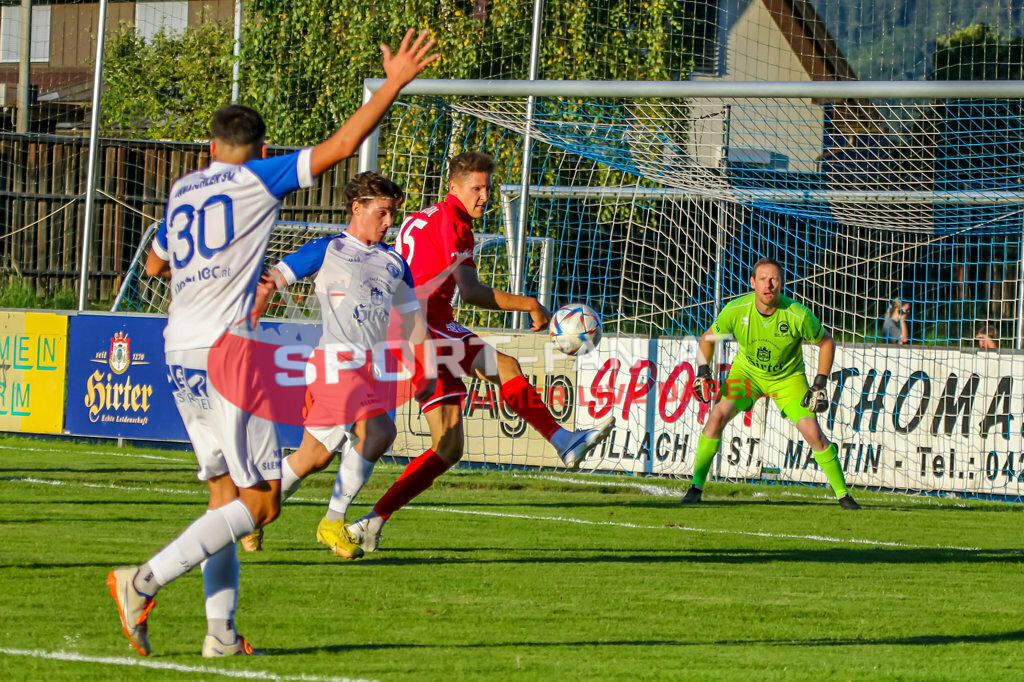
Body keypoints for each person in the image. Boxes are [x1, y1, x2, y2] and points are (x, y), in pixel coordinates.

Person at [105, 29, 439, 658]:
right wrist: (394, 81)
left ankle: (221, 634)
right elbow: (343, 146)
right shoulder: (257, 180)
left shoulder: (183, 192)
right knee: (261, 505)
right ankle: (143, 579)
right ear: (259, 150)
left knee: (223, 498)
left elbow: (154, 266)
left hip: (177, 348)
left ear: (210, 147)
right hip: (228, 350)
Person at [339, 151, 615, 551]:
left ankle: (371, 523)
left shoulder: (426, 217)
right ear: (453, 187)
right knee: (504, 365)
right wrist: (530, 304)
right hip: (420, 324)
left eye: (488, 188)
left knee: (449, 447)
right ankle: (562, 440)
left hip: (409, 327)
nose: (484, 196)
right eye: (476, 188)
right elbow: (470, 292)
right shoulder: (453, 223)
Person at [242, 172, 436, 559]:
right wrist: (247, 322)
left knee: (312, 458)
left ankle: (250, 514)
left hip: (367, 370)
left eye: (392, 214)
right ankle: (333, 522)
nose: (389, 222)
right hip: (332, 363)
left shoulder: (395, 262)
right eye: (382, 213)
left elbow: (413, 321)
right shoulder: (328, 249)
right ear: (357, 208)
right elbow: (270, 282)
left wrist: (427, 371)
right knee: (380, 432)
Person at [681, 257, 860, 510]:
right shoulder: (736, 310)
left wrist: (819, 383)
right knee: (717, 416)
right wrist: (702, 370)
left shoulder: (797, 314)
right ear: (753, 282)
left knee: (812, 432)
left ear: (782, 283)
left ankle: (844, 496)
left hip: (787, 379)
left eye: (774, 279)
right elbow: (708, 337)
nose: (769, 284)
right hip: (747, 375)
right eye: (763, 279)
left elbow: (826, 342)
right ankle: (695, 488)